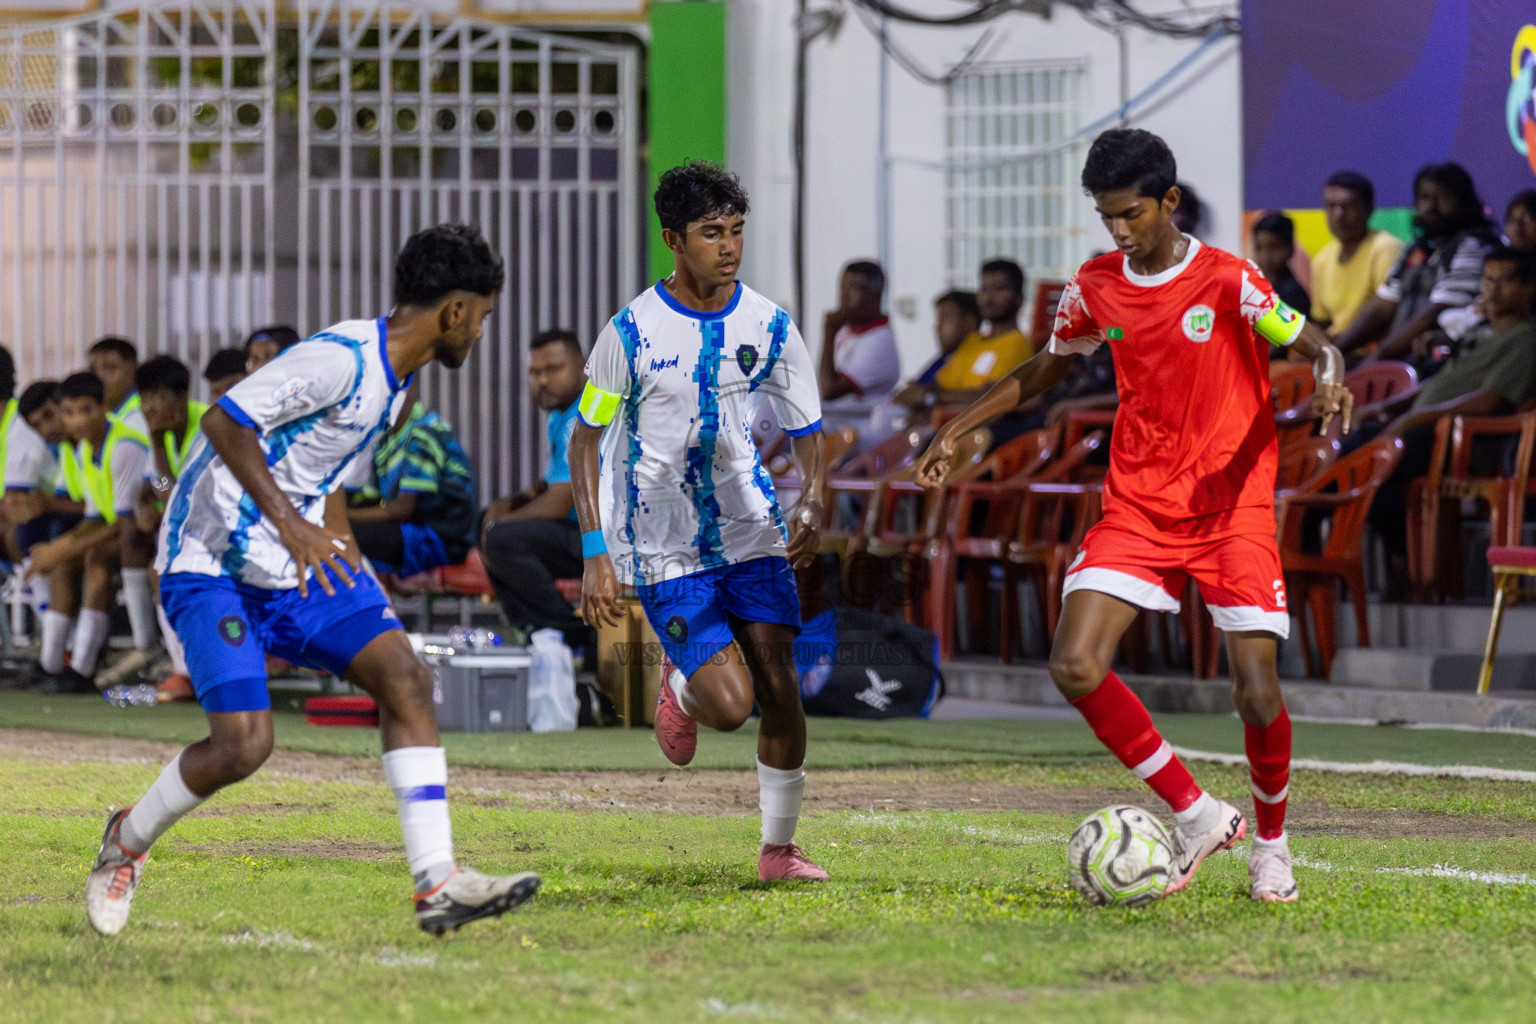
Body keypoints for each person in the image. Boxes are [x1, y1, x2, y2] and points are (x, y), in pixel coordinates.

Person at [915, 128, 1351, 904]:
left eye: (1130, 213)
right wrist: (961, 424)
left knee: (1255, 689)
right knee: (1074, 663)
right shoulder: (1097, 285)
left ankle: (1272, 848)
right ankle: (1197, 814)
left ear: (1169, 202)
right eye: (1105, 215)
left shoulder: (1227, 280)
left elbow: (1313, 342)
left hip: (1231, 506)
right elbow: (1049, 364)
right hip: (1140, 505)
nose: (1117, 229)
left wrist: (1328, 374)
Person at [84, 224, 540, 938]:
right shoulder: (341, 359)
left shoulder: (396, 386)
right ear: (454, 311)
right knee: (243, 746)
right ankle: (126, 840)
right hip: (210, 561)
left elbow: (325, 482)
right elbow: (225, 421)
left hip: (294, 563)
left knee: (407, 678)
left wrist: (348, 564)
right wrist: (291, 528)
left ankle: (438, 884)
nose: (480, 333)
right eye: (481, 317)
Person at [570, 161, 831, 882]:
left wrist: (813, 495)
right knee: (729, 707)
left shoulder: (770, 324)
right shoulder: (631, 332)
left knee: (779, 688)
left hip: (752, 534)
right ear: (673, 241)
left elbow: (809, 426)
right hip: (662, 546)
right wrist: (596, 549)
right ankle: (682, 686)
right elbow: (584, 439)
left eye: (737, 230)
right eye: (712, 233)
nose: (729, 246)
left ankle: (779, 851)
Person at [1354, 248, 1536, 574]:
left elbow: (1491, 401)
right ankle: (1308, 555)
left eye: (1504, 281)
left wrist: (1413, 419)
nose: (1492, 290)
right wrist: (1385, 408)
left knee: (1368, 472)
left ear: (1528, 288)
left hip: (1455, 442)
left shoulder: (1525, 340)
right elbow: (1438, 385)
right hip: (1419, 429)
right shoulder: (1479, 334)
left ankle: (1415, 567)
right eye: (1488, 279)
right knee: (1344, 453)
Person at [24, 372, 153, 693]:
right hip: (125, 530)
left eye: (85, 410)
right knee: (63, 561)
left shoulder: (123, 445)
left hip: (148, 528)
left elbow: (123, 521)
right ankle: (52, 666)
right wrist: (59, 549)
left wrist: (63, 548)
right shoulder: (85, 450)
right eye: (69, 412)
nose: (77, 420)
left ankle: (88, 666)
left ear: (103, 408)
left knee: (93, 559)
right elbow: (94, 517)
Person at [479, 329, 591, 652]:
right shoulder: (559, 416)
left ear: (583, 367)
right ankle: (540, 631)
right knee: (487, 526)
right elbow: (547, 485)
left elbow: (560, 501)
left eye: (553, 369)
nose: (542, 381)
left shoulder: (585, 415)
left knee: (501, 538)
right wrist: (509, 505)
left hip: (605, 538)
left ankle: (569, 633)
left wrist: (501, 524)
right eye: (535, 372)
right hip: (576, 533)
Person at [1337, 163, 1499, 371]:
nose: (1431, 206)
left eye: (1443, 197)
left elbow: (1435, 313)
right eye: (1424, 197)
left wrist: (1378, 358)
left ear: (1464, 201)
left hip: (1443, 362)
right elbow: (1382, 305)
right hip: (1398, 359)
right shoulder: (1418, 248)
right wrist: (1334, 351)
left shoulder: (1475, 245)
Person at [130, 355, 208, 703]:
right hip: (197, 530)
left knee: (162, 570)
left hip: (225, 529)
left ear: (181, 397)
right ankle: (184, 669)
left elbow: (170, 493)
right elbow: (155, 488)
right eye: (144, 399)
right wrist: (144, 507)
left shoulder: (207, 428)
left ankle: (188, 672)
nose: (149, 407)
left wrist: (158, 443)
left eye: (158, 398)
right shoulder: (160, 434)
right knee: (158, 567)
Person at [347, 395, 477, 580]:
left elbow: (401, 510)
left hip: (441, 542)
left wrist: (342, 518)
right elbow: (375, 501)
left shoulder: (423, 433)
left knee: (344, 535)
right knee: (338, 533)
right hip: (414, 532)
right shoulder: (385, 438)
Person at [1308, 171, 1404, 335]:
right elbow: (1321, 321)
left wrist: (1336, 347)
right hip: (1338, 349)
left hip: (1372, 352)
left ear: (1369, 209)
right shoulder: (1321, 259)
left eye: (1348, 206)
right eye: (1331, 206)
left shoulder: (1385, 248)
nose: (1339, 215)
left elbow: (1387, 313)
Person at [928, 258, 1033, 404]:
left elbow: (988, 400)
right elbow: (936, 386)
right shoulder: (973, 340)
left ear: (1019, 298)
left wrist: (936, 397)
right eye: (984, 289)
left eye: (999, 288)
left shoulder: (1017, 345)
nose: (989, 297)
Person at [819, 260, 901, 404]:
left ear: (874, 295)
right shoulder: (853, 331)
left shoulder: (878, 343)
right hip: (837, 421)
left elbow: (828, 390)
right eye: (842, 288)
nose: (842, 297)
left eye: (852, 289)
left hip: (857, 425)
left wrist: (829, 332)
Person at [892, 290, 979, 410]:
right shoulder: (943, 360)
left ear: (969, 321)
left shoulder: (978, 359)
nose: (937, 327)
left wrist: (927, 396)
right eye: (938, 320)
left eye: (945, 318)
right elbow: (904, 396)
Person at [1251, 212, 1311, 319]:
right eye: (1259, 248)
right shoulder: (1253, 289)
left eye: (1273, 247)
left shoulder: (1293, 295)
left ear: (1290, 249)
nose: (1265, 255)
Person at [88, 336, 148, 435]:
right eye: (94, 371)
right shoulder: (102, 413)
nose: (100, 377)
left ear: (133, 370)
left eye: (110, 368)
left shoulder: (141, 412)